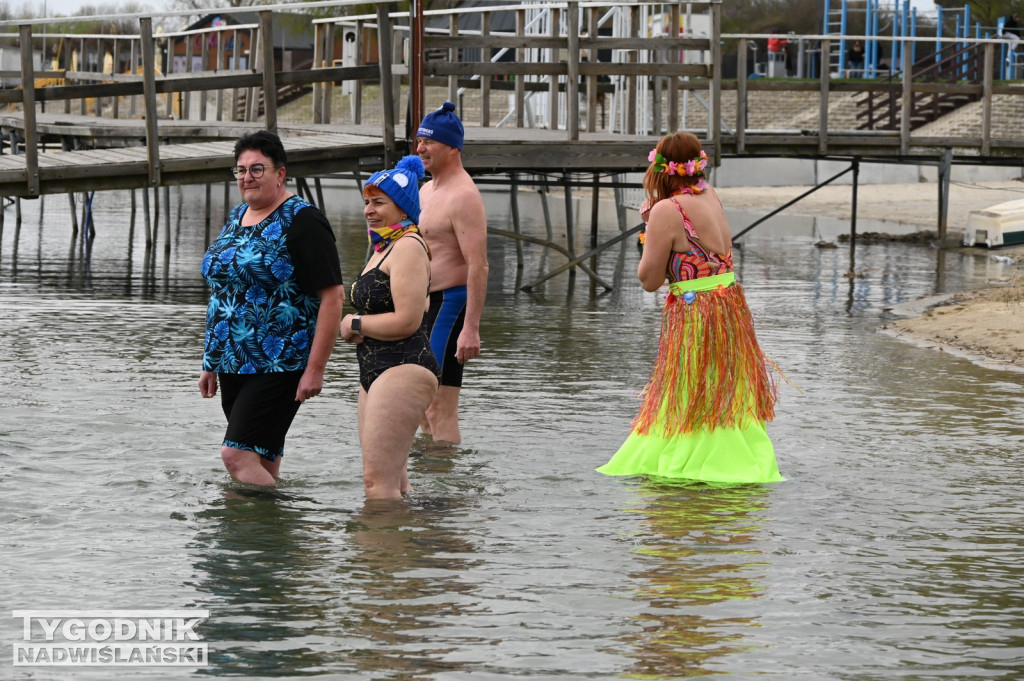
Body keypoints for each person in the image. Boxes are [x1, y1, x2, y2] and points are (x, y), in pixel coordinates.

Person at [597, 132, 782, 485]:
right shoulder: (710, 194)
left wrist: (648, 230)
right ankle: (739, 461)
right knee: (721, 388)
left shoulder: (668, 210)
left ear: (660, 168)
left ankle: (701, 466)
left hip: (697, 312)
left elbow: (649, 280)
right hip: (728, 306)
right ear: (697, 165)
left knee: (689, 390)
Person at [199, 130, 345, 486]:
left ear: (280, 174)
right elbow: (223, 294)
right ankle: (267, 539)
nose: (247, 177)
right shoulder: (237, 217)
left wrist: (316, 370)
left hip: (282, 361)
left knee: (236, 456)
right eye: (241, 170)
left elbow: (333, 296)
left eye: (257, 169)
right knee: (263, 461)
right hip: (234, 361)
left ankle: (287, 514)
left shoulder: (303, 221)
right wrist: (210, 361)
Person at [340, 155, 441, 499]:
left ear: (403, 208)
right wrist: (363, 326)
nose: (369, 210)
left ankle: (377, 553)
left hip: (402, 366)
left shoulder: (409, 247)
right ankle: (407, 548)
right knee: (393, 482)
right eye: (367, 202)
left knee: (377, 485)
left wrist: (355, 321)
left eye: (379, 202)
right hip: (375, 369)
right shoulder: (386, 247)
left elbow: (409, 320)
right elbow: (412, 304)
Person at [414, 101, 489, 445]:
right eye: (419, 141)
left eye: (428, 142)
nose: (420, 149)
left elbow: (479, 264)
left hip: (450, 305)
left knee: (439, 407)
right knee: (420, 405)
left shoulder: (464, 196)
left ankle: (447, 492)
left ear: (452, 148)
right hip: (423, 304)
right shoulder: (426, 189)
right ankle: (430, 487)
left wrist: (470, 329)